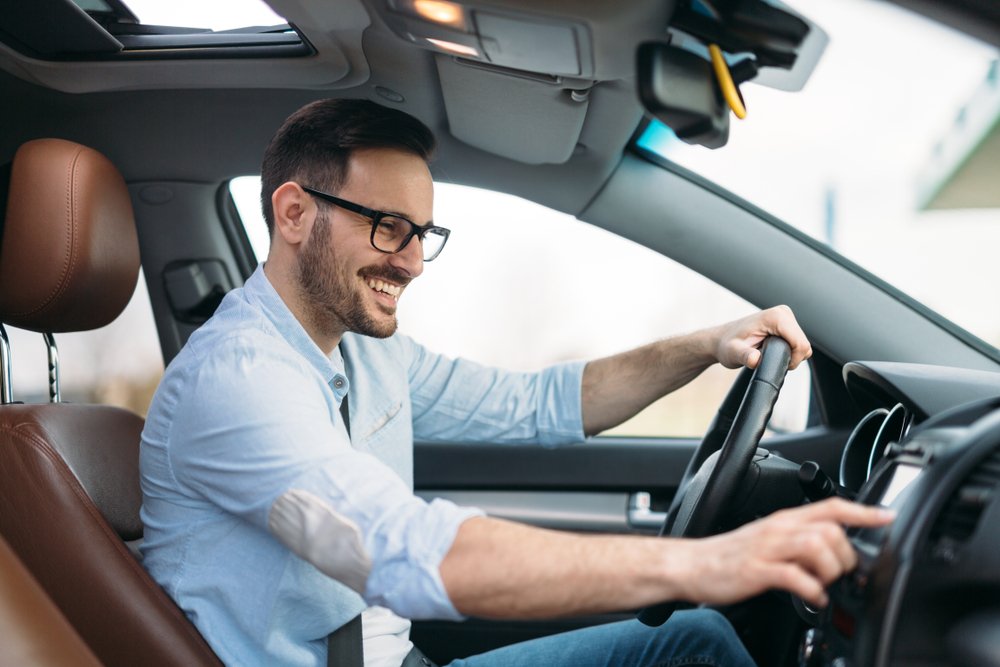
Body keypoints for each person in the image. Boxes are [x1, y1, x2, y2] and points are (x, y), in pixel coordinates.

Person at [139, 98, 893, 667]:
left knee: (692, 638)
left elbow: (539, 405)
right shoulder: (234, 383)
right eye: (386, 226)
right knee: (693, 643)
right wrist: (714, 560)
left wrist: (705, 345)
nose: (411, 262)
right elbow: (407, 552)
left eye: (422, 234)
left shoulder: (364, 352)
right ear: (295, 212)